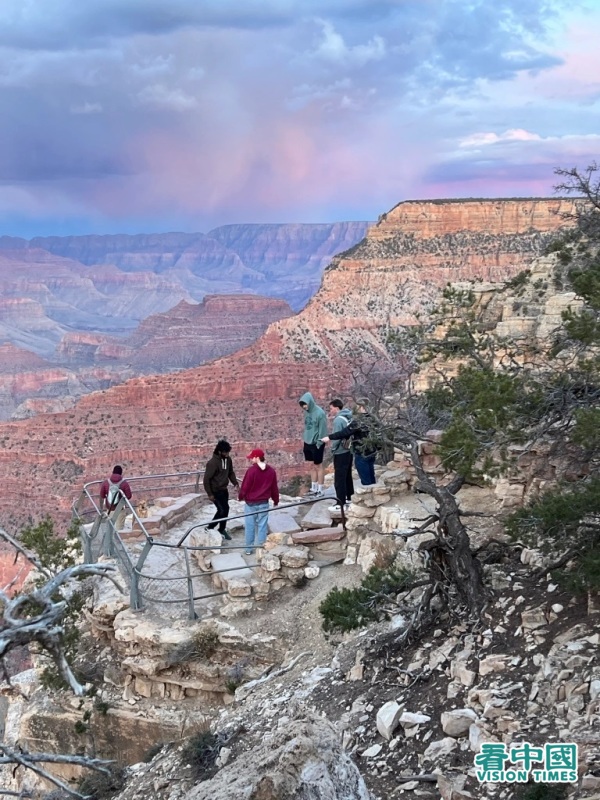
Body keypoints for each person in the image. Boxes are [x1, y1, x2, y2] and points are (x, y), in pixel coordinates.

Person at [326, 398, 378, 486]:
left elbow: (344, 432)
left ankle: (368, 495)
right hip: (372, 451)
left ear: (361, 407)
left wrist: (329, 437)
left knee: (366, 480)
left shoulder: (359, 421)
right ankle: (374, 493)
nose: (355, 408)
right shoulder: (373, 418)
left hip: (361, 452)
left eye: (357, 406)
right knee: (371, 476)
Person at [238, 448, 279, 554]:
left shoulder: (251, 471)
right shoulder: (271, 471)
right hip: (264, 503)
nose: (251, 459)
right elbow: (274, 487)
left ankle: (248, 549)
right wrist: (276, 500)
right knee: (262, 526)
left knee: (250, 526)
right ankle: (261, 548)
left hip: (251, 504)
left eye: (252, 458)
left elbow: (245, 487)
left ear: (257, 458)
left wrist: (241, 497)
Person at [321, 399, 353, 512]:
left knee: (339, 478)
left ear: (336, 407)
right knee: (347, 475)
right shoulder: (348, 417)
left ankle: (340, 503)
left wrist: (333, 449)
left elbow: (337, 437)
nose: (331, 411)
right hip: (349, 450)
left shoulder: (338, 420)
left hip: (341, 452)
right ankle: (349, 497)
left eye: (331, 408)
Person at [203, 440, 239, 541]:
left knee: (226, 509)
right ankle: (210, 528)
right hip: (215, 491)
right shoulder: (212, 463)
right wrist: (210, 494)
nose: (227, 454)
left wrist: (235, 483)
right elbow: (206, 479)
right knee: (221, 510)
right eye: (225, 452)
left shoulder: (228, 460)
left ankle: (222, 529)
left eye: (228, 452)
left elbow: (230, 472)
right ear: (219, 451)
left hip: (224, 489)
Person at [299, 391, 328, 497]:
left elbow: (323, 430)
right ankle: (313, 488)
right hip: (307, 441)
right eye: (302, 405)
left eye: (305, 404)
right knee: (311, 465)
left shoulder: (320, 413)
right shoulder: (306, 412)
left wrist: (319, 443)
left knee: (318, 466)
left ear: (310, 402)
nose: (304, 407)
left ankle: (320, 490)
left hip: (317, 442)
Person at [99, 465, 133, 531]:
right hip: (120, 509)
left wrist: (101, 508)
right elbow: (129, 496)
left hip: (109, 509)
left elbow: (102, 496)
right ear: (121, 473)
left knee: (110, 529)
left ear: (113, 472)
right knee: (119, 530)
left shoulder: (106, 483)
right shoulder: (124, 483)